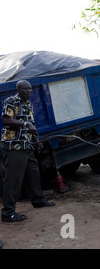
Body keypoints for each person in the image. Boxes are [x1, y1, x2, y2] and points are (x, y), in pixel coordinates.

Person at [1, 80, 55, 223]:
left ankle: (38, 200)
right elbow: (6, 120)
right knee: (13, 179)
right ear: (19, 90)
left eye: (30, 89)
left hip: (27, 145)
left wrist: (36, 140)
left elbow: (32, 125)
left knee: (34, 174)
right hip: (14, 146)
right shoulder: (11, 101)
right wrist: (25, 124)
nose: (29, 92)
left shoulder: (28, 104)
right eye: (26, 89)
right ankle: (8, 213)